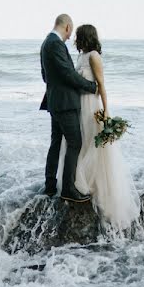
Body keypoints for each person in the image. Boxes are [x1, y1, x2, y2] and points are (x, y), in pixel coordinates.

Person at [71, 24, 140, 229]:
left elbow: (101, 85)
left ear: (85, 37)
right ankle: (83, 181)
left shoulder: (94, 56)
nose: (76, 39)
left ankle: (95, 185)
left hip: (92, 105)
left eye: (78, 36)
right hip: (79, 105)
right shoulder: (80, 57)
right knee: (82, 141)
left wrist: (106, 111)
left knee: (94, 141)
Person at [39, 14, 98, 202]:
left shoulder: (46, 43)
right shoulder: (55, 44)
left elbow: (45, 76)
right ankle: (67, 189)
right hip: (64, 104)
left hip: (55, 102)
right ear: (66, 27)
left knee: (56, 142)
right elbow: (67, 74)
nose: (70, 37)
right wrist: (91, 87)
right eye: (70, 32)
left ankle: (50, 185)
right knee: (75, 142)